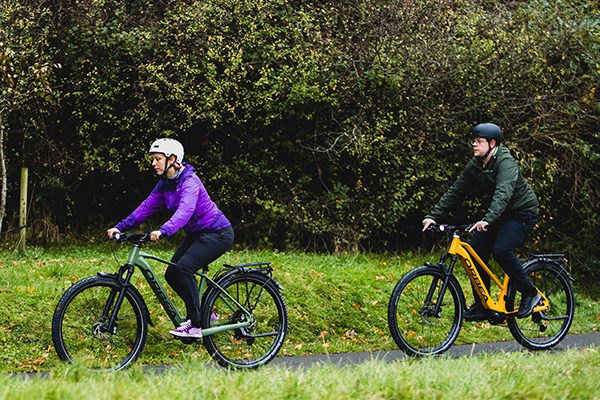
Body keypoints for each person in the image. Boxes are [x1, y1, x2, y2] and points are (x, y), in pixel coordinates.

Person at [107, 138, 234, 339]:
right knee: (172, 274)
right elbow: (146, 208)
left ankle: (196, 324)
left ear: (173, 159)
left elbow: (185, 210)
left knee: (184, 268)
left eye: (157, 159)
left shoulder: (189, 182)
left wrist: (164, 230)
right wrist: (120, 226)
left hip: (217, 234)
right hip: (196, 235)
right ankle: (205, 313)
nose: (153, 163)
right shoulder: (165, 184)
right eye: (153, 159)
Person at [422, 123, 541, 321]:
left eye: (479, 142)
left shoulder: (505, 162)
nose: (474, 145)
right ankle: (482, 305)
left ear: (492, 143)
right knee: (475, 250)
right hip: (498, 214)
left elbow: (503, 193)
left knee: (501, 250)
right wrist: (433, 216)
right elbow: (457, 190)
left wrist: (487, 219)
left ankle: (530, 292)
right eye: (474, 141)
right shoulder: (476, 164)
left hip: (522, 213)